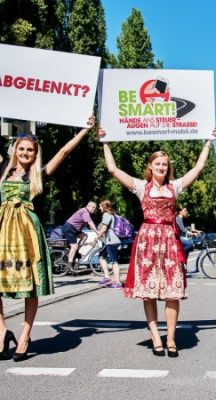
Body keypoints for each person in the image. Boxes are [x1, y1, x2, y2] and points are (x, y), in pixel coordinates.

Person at [99, 126, 216, 358]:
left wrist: (207, 142)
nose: (162, 167)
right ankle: (155, 336)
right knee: (149, 292)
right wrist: (105, 142)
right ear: (150, 167)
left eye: (165, 164)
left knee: (173, 292)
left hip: (169, 241)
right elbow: (113, 169)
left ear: (168, 167)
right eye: (158, 164)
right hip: (147, 242)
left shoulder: (175, 186)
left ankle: (171, 338)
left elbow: (199, 167)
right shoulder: (141, 186)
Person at [0, 115, 95, 361]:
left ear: (35, 153)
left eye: (30, 150)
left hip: (27, 234)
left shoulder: (38, 175)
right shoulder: (2, 170)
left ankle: (25, 336)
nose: (25, 153)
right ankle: (2, 332)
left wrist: (84, 130)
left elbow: (63, 152)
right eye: (21, 148)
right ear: (14, 150)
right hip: (2, 232)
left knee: (31, 287)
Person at [61, 201, 98, 271]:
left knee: (84, 236)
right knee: (74, 246)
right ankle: (69, 265)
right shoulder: (85, 211)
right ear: (88, 206)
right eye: (93, 207)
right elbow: (90, 223)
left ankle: (74, 252)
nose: (94, 209)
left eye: (95, 208)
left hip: (74, 229)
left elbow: (91, 224)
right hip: (69, 228)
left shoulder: (86, 212)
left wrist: (97, 230)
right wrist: (97, 232)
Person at [94, 200, 122, 289]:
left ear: (104, 207)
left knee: (114, 262)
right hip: (113, 241)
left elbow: (103, 228)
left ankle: (118, 283)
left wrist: (97, 238)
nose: (99, 208)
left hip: (112, 241)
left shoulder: (106, 215)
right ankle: (107, 277)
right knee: (101, 256)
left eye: (100, 206)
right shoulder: (113, 215)